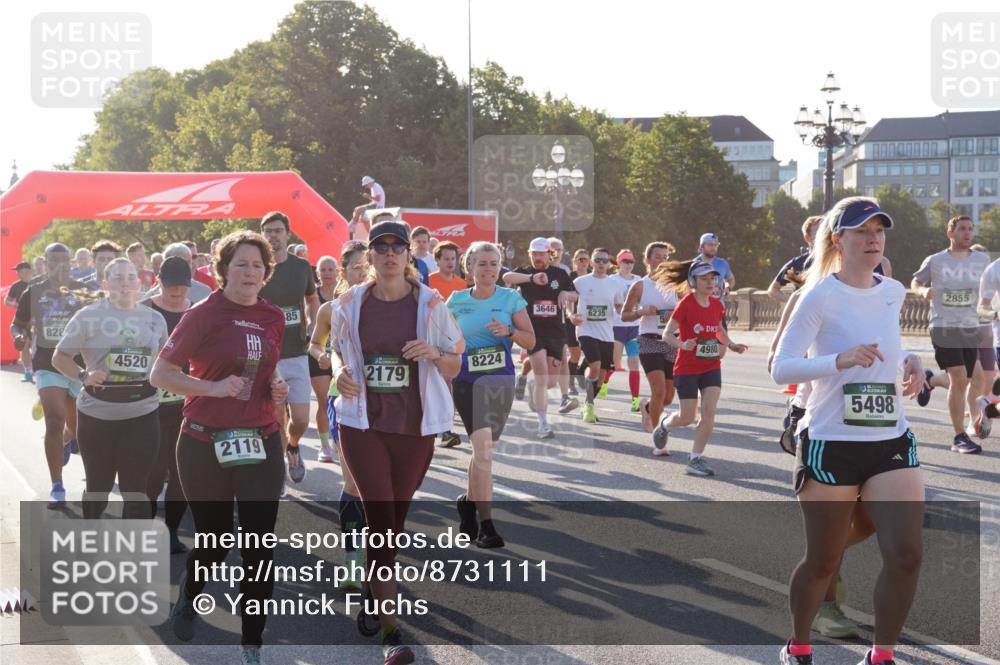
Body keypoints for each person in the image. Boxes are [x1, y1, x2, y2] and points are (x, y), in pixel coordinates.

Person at [772, 196, 926, 665]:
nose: (873, 238)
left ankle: (882, 655)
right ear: (838, 239)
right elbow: (782, 368)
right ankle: (798, 645)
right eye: (861, 231)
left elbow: (884, 350)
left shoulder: (893, 290)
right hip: (831, 440)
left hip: (889, 439)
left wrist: (911, 361)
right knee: (823, 560)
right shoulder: (818, 294)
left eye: (879, 231)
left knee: (906, 555)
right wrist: (837, 360)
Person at [150, 230, 288, 665]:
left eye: (258, 265)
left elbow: (264, 365)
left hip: (261, 440)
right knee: (215, 539)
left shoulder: (272, 316)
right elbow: (161, 374)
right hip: (203, 442)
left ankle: (251, 643)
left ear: (267, 273)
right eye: (241, 264)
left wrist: (277, 384)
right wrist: (213, 387)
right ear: (223, 268)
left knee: (259, 545)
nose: (250, 272)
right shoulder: (202, 314)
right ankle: (189, 595)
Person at [328, 220, 463, 664]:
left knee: (393, 524)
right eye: (380, 247)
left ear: (408, 255)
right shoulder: (350, 302)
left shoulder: (430, 302)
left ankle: (372, 589)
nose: (389, 254)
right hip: (362, 425)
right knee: (381, 519)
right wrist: (337, 371)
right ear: (369, 256)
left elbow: (455, 361)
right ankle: (391, 631)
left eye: (397, 247)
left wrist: (434, 354)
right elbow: (333, 348)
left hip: (414, 428)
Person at [52, 258, 169, 519]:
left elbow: (164, 360)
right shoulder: (88, 316)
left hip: (142, 414)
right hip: (98, 416)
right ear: (105, 284)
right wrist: (84, 375)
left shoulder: (155, 319)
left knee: (136, 489)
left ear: (139, 283)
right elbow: (59, 357)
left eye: (130, 277)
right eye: (117, 278)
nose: (125, 283)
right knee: (98, 488)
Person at [448, 241, 534, 548]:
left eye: (494, 263)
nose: (489, 269)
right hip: (467, 381)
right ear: (470, 268)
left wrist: (509, 332)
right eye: (482, 263)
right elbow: (444, 340)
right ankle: (487, 525)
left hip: (500, 381)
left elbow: (530, 340)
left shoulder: (511, 299)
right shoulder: (456, 301)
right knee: (483, 449)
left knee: (484, 450)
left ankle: (468, 503)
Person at [309, 241, 369, 588]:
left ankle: (376, 551)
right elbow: (315, 342)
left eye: (367, 266)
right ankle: (351, 561)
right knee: (352, 482)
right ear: (343, 273)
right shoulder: (331, 308)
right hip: (341, 399)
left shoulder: (392, 307)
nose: (362, 273)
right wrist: (322, 355)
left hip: (384, 403)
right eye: (356, 268)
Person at [651, 260, 748, 474]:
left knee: (709, 410)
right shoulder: (685, 304)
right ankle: (665, 424)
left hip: (711, 366)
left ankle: (695, 459)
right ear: (694, 281)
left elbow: (718, 330)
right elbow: (667, 334)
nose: (710, 282)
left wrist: (731, 345)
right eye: (704, 279)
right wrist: (682, 344)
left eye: (712, 278)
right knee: (688, 418)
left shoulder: (717, 304)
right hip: (687, 367)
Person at [11, 244, 88, 507]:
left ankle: (69, 438)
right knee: (54, 421)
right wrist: (18, 337)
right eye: (54, 261)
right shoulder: (34, 291)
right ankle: (58, 485)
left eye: (65, 260)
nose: (60, 265)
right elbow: (17, 324)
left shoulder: (84, 290)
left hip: (79, 367)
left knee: (78, 429)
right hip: (47, 364)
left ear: (71, 262)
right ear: (45, 262)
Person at [911, 215, 991, 454]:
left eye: (970, 229)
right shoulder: (936, 260)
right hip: (943, 325)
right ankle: (959, 437)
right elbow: (915, 281)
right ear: (950, 233)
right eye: (962, 229)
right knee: (958, 378)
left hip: (969, 326)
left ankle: (930, 381)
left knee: (972, 379)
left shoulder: (981, 259)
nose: (967, 233)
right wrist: (923, 290)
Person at [257, 211, 320, 484]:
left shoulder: (301, 267)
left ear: (287, 234)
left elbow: (312, 298)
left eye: (278, 230)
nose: (273, 235)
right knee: (277, 418)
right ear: (262, 234)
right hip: (267, 356)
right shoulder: (257, 266)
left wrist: (312, 324)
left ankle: (293, 445)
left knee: (302, 420)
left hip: (296, 352)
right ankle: (280, 470)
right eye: (268, 230)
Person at [141, 257, 193, 554]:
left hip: (187, 402)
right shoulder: (144, 310)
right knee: (153, 473)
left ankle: (171, 530)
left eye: (182, 289)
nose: (176, 295)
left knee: (182, 472)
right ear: (159, 282)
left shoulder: (196, 311)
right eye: (171, 289)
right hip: (151, 405)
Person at [503, 238, 577, 439]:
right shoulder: (525, 272)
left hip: (555, 332)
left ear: (549, 254)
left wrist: (565, 294)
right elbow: (507, 276)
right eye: (533, 254)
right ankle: (543, 424)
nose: (537, 258)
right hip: (532, 331)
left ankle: (533, 387)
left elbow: (575, 294)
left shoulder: (560, 274)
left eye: (541, 254)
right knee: (542, 376)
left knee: (550, 382)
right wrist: (531, 279)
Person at [622, 242, 677, 433]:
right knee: (659, 390)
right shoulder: (640, 286)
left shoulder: (676, 285)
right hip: (648, 340)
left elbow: (687, 310)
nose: (661, 261)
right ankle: (658, 437)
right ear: (647, 260)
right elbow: (625, 314)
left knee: (668, 397)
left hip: (672, 341)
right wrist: (642, 311)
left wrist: (676, 314)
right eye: (657, 257)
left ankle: (647, 407)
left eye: (665, 258)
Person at [570, 248, 620, 424]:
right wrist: (571, 314)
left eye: (604, 261)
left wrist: (639, 311)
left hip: (606, 333)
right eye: (597, 260)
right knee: (596, 366)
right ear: (591, 262)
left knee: (602, 373)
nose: (600, 264)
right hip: (585, 330)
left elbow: (621, 306)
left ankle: (587, 402)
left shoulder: (614, 284)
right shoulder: (580, 281)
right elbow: (570, 299)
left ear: (609, 264)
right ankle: (589, 406)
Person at [429, 241, 468, 449]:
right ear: (437, 260)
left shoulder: (462, 285)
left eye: (454, 259)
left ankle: (445, 427)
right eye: (446, 259)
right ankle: (443, 428)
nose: (450, 262)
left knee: (448, 382)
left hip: (454, 339)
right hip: (432, 338)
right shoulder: (428, 282)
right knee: (440, 382)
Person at [309, 255, 339, 463]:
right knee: (322, 399)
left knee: (339, 400)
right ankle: (325, 445)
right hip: (319, 354)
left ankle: (340, 441)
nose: (327, 273)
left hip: (341, 355)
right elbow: (309, 324)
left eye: (331, 269)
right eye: (323, 270)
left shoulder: (346, 294)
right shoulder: (312, 297)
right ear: (317, 273)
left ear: (338, 272)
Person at [609, 249, 642, 410]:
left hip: (634, 327)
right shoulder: (612, 280)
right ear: (618, 263)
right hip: (616, 327)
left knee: (634, 363)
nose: (628, 265)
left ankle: (635, 400)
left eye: (631, 262)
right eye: (625, 262)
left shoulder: (639, 280)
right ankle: (603, 384)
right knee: (614, 364)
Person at [768, 217, 823, 303]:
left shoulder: (838, 260)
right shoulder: (798, 265)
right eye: (818, 233)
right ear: (807, 237)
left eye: (825, 232)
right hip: (806, 314)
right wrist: (793, 302)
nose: (823, 236)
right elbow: (773, 290)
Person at [143, 243, 213, 303]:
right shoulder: (150, 298)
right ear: (165, 264)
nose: (183, 266)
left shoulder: (204, 292)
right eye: (179, 262)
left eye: (187, 262)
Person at [6, 261, 35, 383]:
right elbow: (6, 301)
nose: (17, 273)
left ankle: (40, 371)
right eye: (17, 271)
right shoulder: (16, 286)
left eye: (19, 271)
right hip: (22, 320)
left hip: (37, 320)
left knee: (37, 347)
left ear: (27, 271)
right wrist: (15, 304)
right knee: (24, 345)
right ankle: (28, 372)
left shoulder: (37, 283)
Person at [695, 233, 735, 301]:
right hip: (700, 306)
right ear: (702, 247)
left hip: (719, 307)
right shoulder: (694, 264)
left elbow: (731, 279)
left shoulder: (722, 263)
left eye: (715, 245)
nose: (713, 247)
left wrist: (728, 288)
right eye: (710, 245)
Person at [349, 176, 387, 241]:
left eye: (366, 185)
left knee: (358, 209)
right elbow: (375, 199)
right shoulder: (374, 187)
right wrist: (368, 197)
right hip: (375, 204)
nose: (366, 187)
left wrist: (368, 196)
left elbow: (378, 199)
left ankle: (353, 225)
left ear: (369, 183)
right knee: (356, 209)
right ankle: (353, 224)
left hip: (378, 206)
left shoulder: (376, 187)